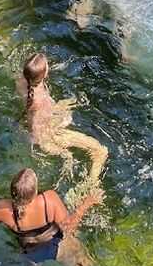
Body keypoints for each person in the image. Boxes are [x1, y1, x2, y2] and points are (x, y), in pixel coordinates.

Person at [0, 168, 101, 266]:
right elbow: (69, 228)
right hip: (56, 246)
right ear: (35, 191)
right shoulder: (49, 200)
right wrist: (86, 204)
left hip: (31, 253)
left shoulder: (3, 209)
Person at [20, 52, 108, 184]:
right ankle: (90, 188)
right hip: (48, 135)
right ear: (45, 73)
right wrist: (60, 150)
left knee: (72, 101)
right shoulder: (39, 101)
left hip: (46, 123)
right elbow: (38, 133)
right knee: (100, 151)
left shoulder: (23, 83)